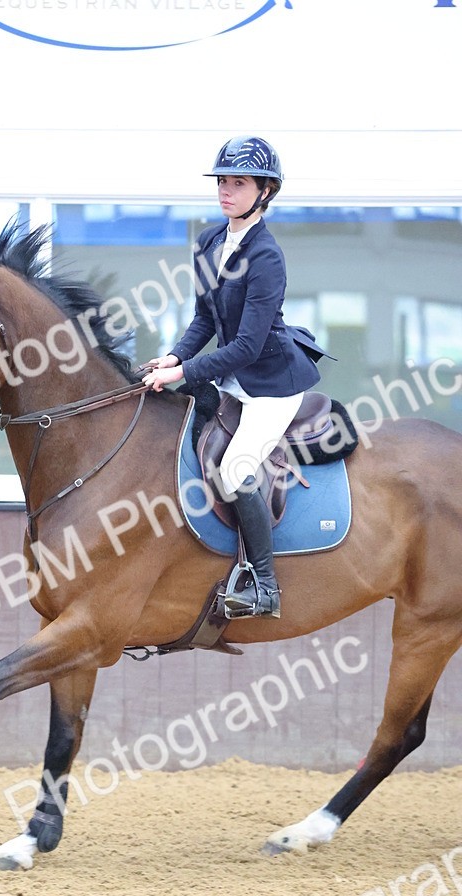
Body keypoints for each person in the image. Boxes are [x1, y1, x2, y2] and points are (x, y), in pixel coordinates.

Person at [143, 136, 332, 619]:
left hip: (272, 385)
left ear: (265, 191)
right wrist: (172, 357)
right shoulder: (208, 241)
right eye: (222, 181)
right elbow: (205, 320)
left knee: (235, 470)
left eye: (239, 183)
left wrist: (186, 371)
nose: (226, 191)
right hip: (234, 380)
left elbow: (246, 346)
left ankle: (265, 586)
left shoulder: (267, 257)